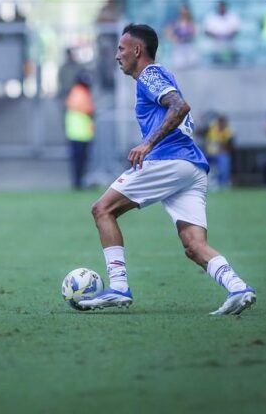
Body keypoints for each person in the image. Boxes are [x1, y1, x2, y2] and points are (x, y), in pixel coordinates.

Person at [77, 24, 255, 316]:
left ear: (137, 50)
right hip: (191, 167)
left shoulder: (150, 74)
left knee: (102, 210)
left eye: (121, 49)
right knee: (194, 246)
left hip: (169, 160)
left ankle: (119, 286)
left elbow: (179, 106)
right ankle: (238, 288)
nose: (117, 55)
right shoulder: (157, 76)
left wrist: (147, 144)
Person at [65, 72, 95, 190]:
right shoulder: (79, 92)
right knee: (79, 160)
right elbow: (87, 109)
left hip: (80, 133)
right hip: (79, 133)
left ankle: (79, 182)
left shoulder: (78, 92)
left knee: (80, 160)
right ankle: (78, 183)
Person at [165, 4, 198, 69]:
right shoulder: (176, 23)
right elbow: (167, 33)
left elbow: (194, 34)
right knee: (179, 66)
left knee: (191, 66)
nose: (184, 14)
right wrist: (175, 39)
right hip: (178, 48)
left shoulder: (192, 23)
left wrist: (186, 38)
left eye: (185, 12)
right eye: (182, 12)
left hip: (189, 48)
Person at [205, 115, 233, 189]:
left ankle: (222, 183)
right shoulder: (212, 129)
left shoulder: (227, 131)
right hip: (210, 153)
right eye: (220, 121)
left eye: (222, 121)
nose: (221, 123)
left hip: (221, 154)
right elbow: (208, 141)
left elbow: (228, 145)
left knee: (224, 163)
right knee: (202, 162)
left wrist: (220, 147)